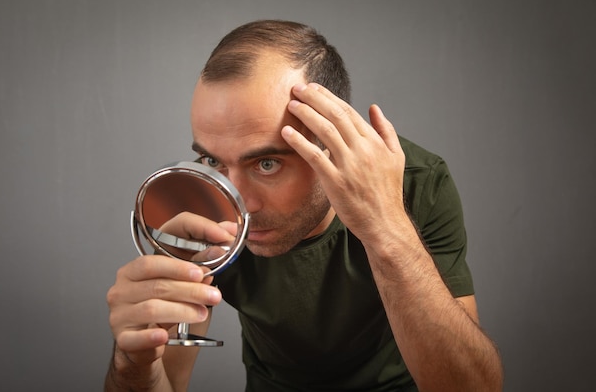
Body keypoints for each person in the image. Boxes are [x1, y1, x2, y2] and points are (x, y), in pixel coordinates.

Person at [105, 20, 503, 391]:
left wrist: (386, 229)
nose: (238, 205)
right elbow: (168, 381)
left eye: (267, 163)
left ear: (329, 140)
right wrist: (134, 362)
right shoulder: (203, 202)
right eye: (213, 160)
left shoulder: (416, 183)